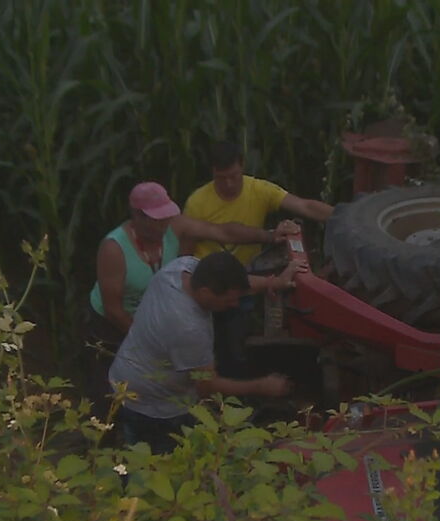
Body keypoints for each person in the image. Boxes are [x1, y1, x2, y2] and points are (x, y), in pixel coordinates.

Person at [86, 181, 298, 420]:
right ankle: (99, 437)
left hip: (158, 321)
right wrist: (150, 338)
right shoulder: (114, 249)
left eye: (165, 218)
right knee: (108, 389)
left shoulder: (180, 257)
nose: (162, 225)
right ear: (136, 216)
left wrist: (270, 239)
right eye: (156, 220)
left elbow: (224, 233)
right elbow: (114, 310)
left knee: (155, 374)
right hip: (116, 324)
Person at [108, 251, 306, 454]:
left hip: (128, 374)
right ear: (205, 292)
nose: (235, 304)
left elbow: (234, 283)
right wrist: (263, 386)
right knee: (158, 464)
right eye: (229, 301)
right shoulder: (188, 327)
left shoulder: (180, 268)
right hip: (151, 404)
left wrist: (272, 283)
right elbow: (206, 385)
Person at [182, 140, 333, 265]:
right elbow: (185, 254)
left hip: (249, 276)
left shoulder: (260, 190)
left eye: (233, 176)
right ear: (212, 171)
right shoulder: (196, 202)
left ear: (242, 166)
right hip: (209, 282)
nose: (228, 184)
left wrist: (342, 215)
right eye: (221, 178)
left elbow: (304, 206)